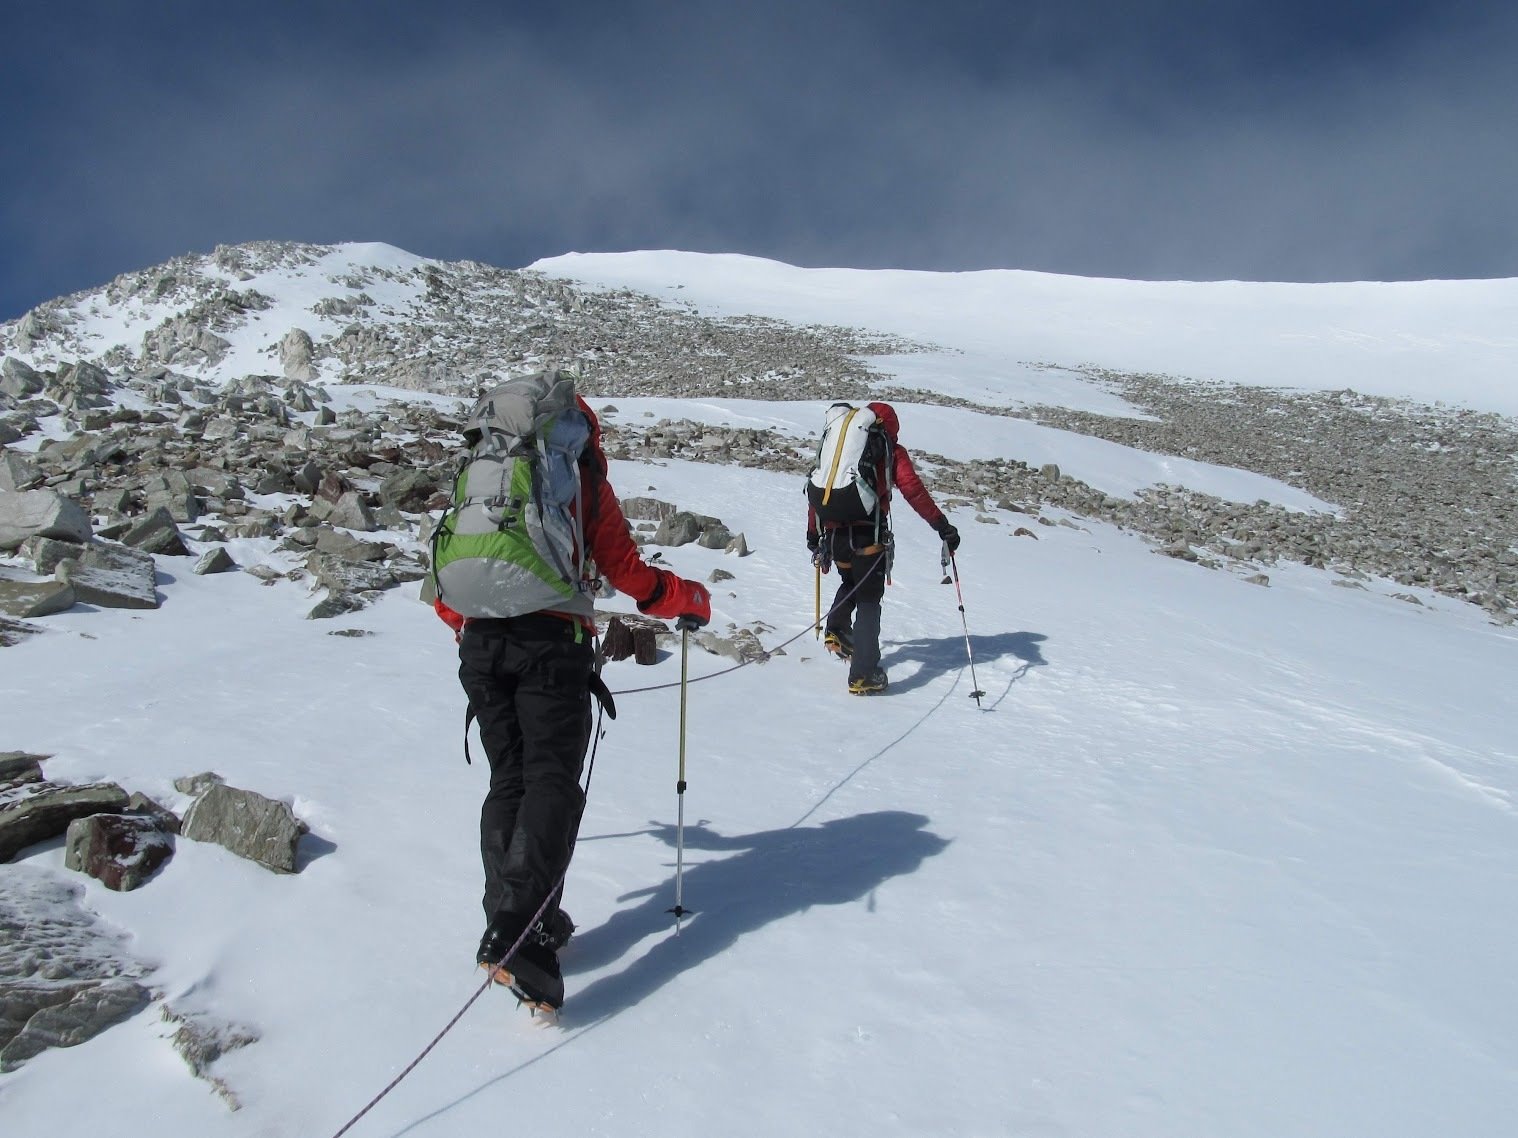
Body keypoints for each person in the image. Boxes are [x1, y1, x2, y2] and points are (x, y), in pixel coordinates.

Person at [433, 390, 711, 1011]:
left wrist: (477, 630)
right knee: (552, 781)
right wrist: (689, 597)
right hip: (549, 643)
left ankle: (514, 917)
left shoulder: (485, 468)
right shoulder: (578, 472)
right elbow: (630, 575)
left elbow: (444, 576)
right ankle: (518, 931)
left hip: (479, 643)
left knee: (511, 781)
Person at [806, 401, 959, 694]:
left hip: (834, 536)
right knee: (868, 599)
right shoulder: (888, 449)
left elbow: (817, 488)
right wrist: (942, 526)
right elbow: (912, 490)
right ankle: (863, 673)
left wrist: (814, 535)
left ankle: (837, 629)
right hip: (868, 538)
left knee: (850, 581)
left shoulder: (839, 450)